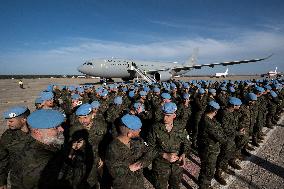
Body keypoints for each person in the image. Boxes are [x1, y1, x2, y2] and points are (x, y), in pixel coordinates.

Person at [145, 102, 191, 189]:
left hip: (177, 166)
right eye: (164, 114)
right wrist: (164, 155)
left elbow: (187, 143)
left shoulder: (180, 128)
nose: (164, 118)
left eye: (168, 115)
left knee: (175, 186)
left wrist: (184, 154)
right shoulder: (155, 128)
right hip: (160, 166)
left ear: (174, 115)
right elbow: (148, 148)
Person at [105, 114, 150, 189]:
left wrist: (142, 163)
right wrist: (129, 168)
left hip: (139, 184)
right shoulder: (113, 148)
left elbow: (148, 152)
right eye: (138, 129)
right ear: (129, 134)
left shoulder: (138, 141)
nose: (140, 130)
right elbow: (113, 172)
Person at [0, 106, 30, 189]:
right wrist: (2, 181)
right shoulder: (7, 136)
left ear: (23, 120)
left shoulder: (38, 131)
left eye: (11, 121)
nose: (8, 124)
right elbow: (2, 159)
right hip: (19, 181)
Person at [197, 101, 226, 189]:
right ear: (215, 111)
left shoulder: (209, 118)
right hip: (208, 150)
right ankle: (203, 186)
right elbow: (219, 137)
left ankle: (205, 184)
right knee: (208, 169)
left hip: (211, 148)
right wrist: (226, 139)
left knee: (208, 168)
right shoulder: (207, 122)